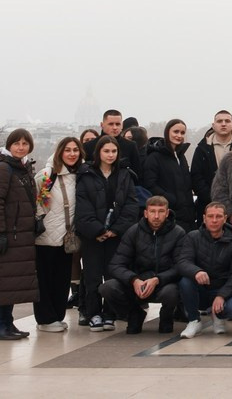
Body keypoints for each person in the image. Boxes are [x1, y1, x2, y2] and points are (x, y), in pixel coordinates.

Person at [75, 135, 141, 331]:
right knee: (92, 276)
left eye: (113, 151)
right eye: (106, 151)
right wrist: (98, 230)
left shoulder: (124, 174)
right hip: (92, 236)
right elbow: (83, 207)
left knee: (113, 275)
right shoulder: (86, 174)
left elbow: (131, 205)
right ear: (98, 153)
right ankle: (93, 313)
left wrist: (114, 230)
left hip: (116, 236)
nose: (110, 155)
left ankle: (109, 313)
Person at [101, 195, 187, 335]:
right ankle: (134, 314)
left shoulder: (178, 233)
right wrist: (133, 280)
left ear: (167, 213)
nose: (156, 216)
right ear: (146, 213)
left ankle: (166, 317)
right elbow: (116, 264)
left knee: (171, 292)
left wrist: (157, 279)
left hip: (163, 283)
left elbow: (180, 266)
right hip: (137, 283)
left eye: (160, 211)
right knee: (107, 288)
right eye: (152, 211)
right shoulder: (133, 232)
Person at [0, 129, 38, 340]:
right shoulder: (2, 168)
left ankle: (7, 323)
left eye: (25, 143)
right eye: (17, 143)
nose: (21, 147)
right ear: (9, 145)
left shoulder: (21, 167)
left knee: (9, 281)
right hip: (5, 234)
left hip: (18, 234)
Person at [33, 136, 82, 333]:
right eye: (68, 150)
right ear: (60, 152)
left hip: (67, 236)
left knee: (62, 279)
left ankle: (56, 315)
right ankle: (45, 318)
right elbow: (37, 203)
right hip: (46, 236)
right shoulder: (46, 175)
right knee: (45, 279)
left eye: (75, 150)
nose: (71, 154)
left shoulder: (80, 175)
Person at [177, 201, 232, 337]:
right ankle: (194, 321)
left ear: (225, 218)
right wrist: (196, 271)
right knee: (185, 281)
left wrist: (222, 295)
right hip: (201, 289)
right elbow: (183, 262)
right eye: (210, 216)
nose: (214, 220)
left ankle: (218, 317)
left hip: (223, 289)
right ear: (204, 218)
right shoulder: (193, 237)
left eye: (218, 216)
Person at [142, 119, 197, 230]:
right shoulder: (154, 157)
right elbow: (149, 184)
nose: (179, 135)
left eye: (182, 133)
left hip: (187, 214)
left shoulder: (181, 156)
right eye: (175, 132)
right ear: (167, 132)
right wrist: (170, 199)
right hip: (167, 214)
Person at [191, 111, 232, 222]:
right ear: (213, 125)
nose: (223, 124)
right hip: (208, 206)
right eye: (219, 121)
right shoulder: (202, 149)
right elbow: (196, 176)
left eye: (227, 121)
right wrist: (213, 198)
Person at [82, 110, 143, 182]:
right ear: (102, 125)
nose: (115, 127)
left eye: (117, 124)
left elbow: (137, 173)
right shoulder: (88, 146)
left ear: (122, 125)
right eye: (111, 124)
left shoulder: (131, 146)